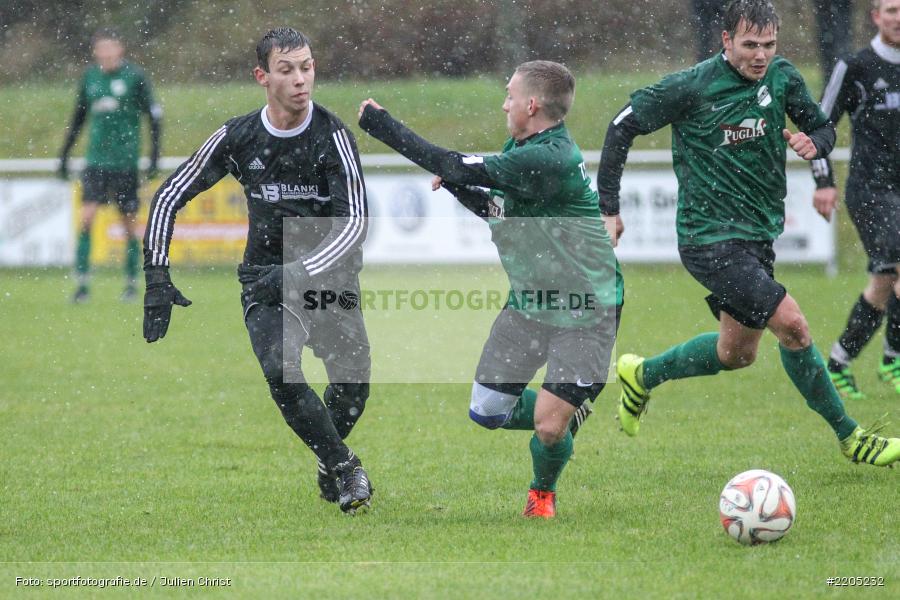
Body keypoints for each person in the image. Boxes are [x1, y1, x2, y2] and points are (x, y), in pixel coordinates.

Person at [597, 0, 900, 466]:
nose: (761, 55)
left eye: (769, 45)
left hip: (758, 237)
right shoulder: (692, 85)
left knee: (736, 353)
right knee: (794, 326)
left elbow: (823, 127)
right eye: (750, 45)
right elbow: (621, 127)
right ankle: (852, 437)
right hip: (708, 238)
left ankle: (642, 375)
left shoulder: (781, 77)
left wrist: (814, 143)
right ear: (726, 40)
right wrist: (609, 208)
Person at [358, 60, 622, 518]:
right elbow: (498, 209)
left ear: (531, 105)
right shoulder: (523, 148)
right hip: (530, 304)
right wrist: (459, 188)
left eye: (509, 95)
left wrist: (381, 125)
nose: (504, 104)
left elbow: (451, 163)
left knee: (548, 428)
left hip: (586, 308)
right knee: (487, 411)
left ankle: (542, 493)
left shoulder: (550, 157)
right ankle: (567, 407)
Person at [141, 28, 373, 513]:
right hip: (264, 279)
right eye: (286, 70)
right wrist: (157, 278)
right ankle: (344, 464)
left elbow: (354, 226)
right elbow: (167, 197)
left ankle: (328, 458)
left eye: (306, 67)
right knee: (280, 371)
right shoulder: (239, 136)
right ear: (262, 76)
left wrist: (298, 273)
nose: (300, 79)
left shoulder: (333, 137)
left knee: (353, 388)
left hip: (328, 280)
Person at [811, 0, 900, 399]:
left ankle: (839, 362)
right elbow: (818, 125)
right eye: (892, 10)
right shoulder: (855, 67)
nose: (898, 18)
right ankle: (893, 357)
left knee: (883, 282)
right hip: (871, 191)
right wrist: (823, 182)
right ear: (876, 16)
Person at [59, 29, 162, 303]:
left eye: (110, 48)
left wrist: (154, 155)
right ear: (96, 52)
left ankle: (130, 283)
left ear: (120, 49)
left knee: (128, 224)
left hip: (125, 162)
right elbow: (78, 117)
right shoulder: (90, 78)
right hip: (95, 161)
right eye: (101, 49)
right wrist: (64, 154)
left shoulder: (135, 77)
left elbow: (154, 116)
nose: (106, 54)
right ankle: (82, 285)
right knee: (86, 218)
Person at [813, 0, 854, 81]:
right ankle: (832, 80)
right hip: (826, 8)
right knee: (829, 48)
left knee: (841, 48)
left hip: (838, 7)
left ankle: (842, 79)